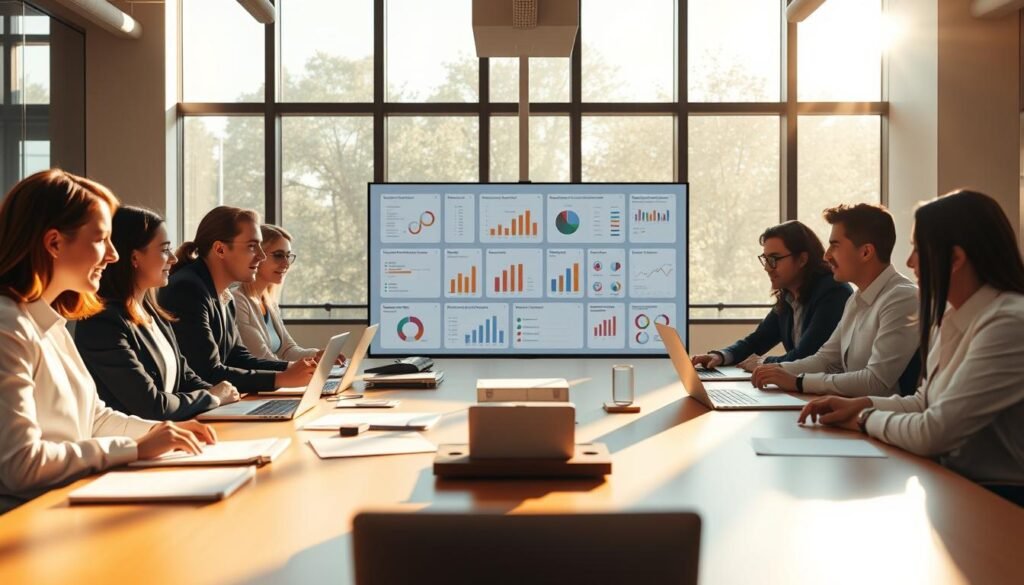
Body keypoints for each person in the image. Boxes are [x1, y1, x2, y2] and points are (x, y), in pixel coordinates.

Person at [0, 170, 216, 512]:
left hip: (63, 504)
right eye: (101, 239)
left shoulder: (49, 321)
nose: (113, 255)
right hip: (25, 524)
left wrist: (162, 432)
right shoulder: (7, 326)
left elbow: (94, 418)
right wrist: (135, 449)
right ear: (54, 243)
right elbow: (21, 466)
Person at [799, 190, 1024, 501]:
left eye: (919, 249)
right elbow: (924, 402)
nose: (910, 262)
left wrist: (863, 420)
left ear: (956, 259)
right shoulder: (953, 315)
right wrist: (862, 404)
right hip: (955, 484)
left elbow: (935, 432)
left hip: (1001, 498)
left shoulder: (1009, 322)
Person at [75, 206, 241, 420]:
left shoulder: (153, 312)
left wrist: (224, 395)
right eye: (164, 250)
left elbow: (185, 377)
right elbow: (151, 405)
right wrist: (212, 397)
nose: (173, 258)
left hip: (172, 432)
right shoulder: (102, 322)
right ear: (135, 258)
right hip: (134, 444)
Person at [752, 203, 920, 397]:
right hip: (854, 416)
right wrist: (777, 370)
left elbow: (876, 382)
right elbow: (825, 360)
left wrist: (799, 382)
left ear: (865, 252)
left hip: (883, 422)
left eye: (835, 245)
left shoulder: (902, 298)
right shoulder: (855, 300)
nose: (826, 255)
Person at [158, 206, 316, 393]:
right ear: (220, 249)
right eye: (252, 246)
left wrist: (293, 369)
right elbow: (207, 373)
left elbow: (238, 358)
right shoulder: (188, 290)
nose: (261, 255)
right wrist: (281, 378)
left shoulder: (224, 295)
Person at [691, 221, 852, 372]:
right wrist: (719, 356)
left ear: (802, 259)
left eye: (774, 259)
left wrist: (763, 363)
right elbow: (757, 341)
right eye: (765, 259)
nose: (767, 268)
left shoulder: (832, 292)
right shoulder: (789, 295)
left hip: (833, 395)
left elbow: (807, 357)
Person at [232, 224, 334, 363]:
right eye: (278, 256)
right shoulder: (238, 300)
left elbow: (288, 350)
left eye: (288, 256)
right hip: (259, 383)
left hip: (277, 378)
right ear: (258, 256)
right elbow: (262, 358)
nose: (286, 263)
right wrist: (302, 369)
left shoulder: (269, 302)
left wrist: (318, 355)